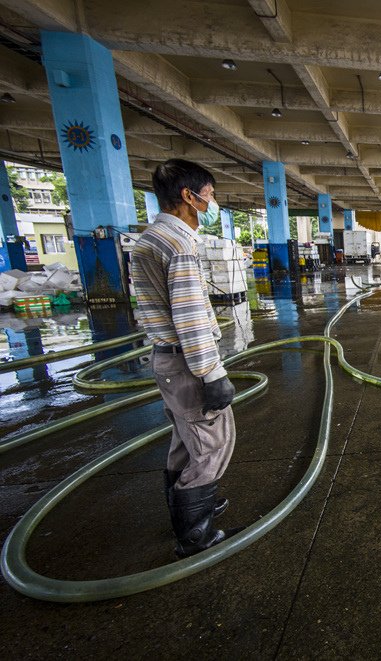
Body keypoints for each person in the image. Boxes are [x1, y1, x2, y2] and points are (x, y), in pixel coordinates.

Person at [130, 158, 239, 558]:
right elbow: (190, 317)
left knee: (184, 439)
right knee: (212, 443)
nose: (211, 203)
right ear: (187, 197)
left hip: (168, 361)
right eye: (208, 195)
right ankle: (195, 534)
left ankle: (189, 507)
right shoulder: (179, 244)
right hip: (187, 364)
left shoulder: (150, 238)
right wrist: (212, 373)